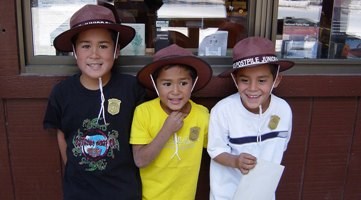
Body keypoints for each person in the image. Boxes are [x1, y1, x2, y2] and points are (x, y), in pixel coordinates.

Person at [43, 4, 146, 200]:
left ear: (116, 51)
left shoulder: (131, 88)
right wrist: (75, 172)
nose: (94, 54)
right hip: (79, 192)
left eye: (103, 46)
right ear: (74, 51)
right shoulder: (62, 93)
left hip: (123, 191)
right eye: (86, 46)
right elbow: (62, 135)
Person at [207, 36, 295, 200]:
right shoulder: (223, 110)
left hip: (263, 194)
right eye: (245, 80)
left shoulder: (283, 109)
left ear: (276, 80)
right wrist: (235, 161)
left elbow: (282, 145)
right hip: (226, 194)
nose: (252, 88)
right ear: (235, 80)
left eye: (262, 80)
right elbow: (215, 150)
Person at [129, 44, 213, 200]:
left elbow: (217, 149)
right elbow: (140, 160)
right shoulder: (144, 112)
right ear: (156, 85)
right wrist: (166, 130)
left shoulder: (202, 115)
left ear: (193, 84)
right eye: (167, 84)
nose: (176, 91)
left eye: (183, 83)